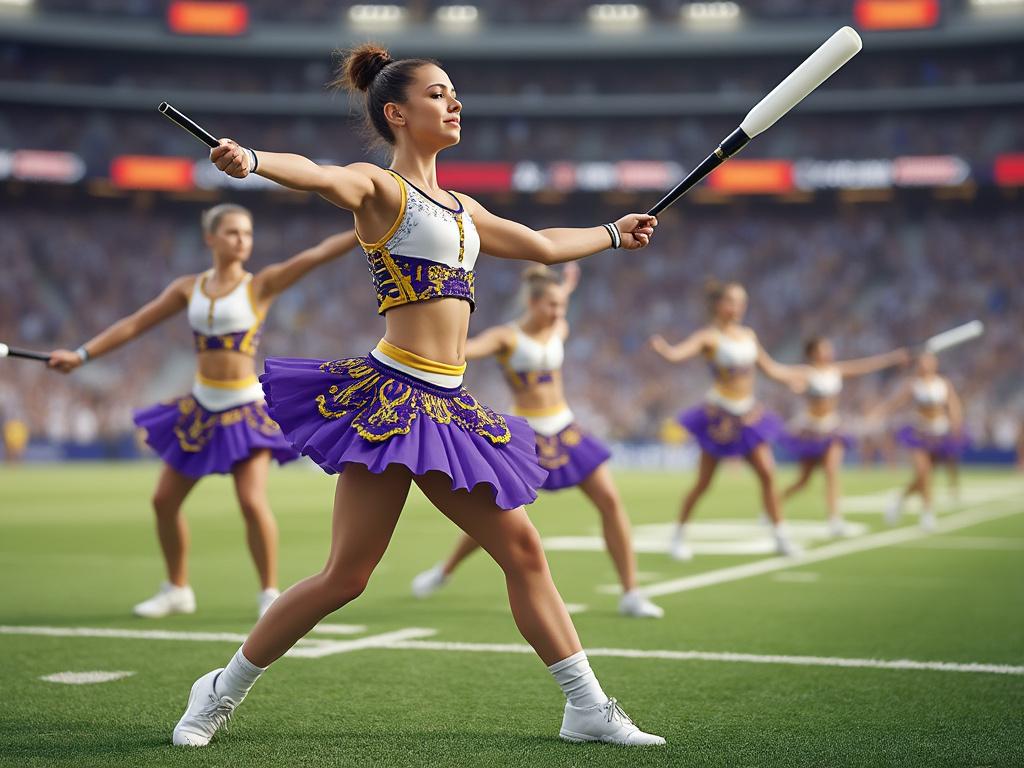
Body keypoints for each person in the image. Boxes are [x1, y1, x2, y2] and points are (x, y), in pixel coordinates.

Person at [171, 45, 664, 748]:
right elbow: (320, 175)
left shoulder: (464, 210)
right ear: (397, 113)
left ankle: (586, 706)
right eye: (438, 94)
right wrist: (252, 160)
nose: (454, 103)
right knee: (346, 577)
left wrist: (613, 233)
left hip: (450, 407)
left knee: (524, 551)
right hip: (391, 401)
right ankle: (220, 689)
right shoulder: (380, 188)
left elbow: (542, 245)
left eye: (454, 92)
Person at [49, 204, 357, 618]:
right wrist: (82, 355)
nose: (242, 241)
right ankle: (177, 589)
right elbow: (135, 324)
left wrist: (365, 230)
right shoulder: (187, 289)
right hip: (201, 407)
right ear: (210, 238)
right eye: (232, 232)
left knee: (251, 502)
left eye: (247, 233)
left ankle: (269, 594)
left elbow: (315, 255)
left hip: (244, 409)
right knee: (163, 501)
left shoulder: (259, 286)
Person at [411, 263, 663, 618]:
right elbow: (464, 349)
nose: (559, 312)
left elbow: (559, 303)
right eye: (551, 305)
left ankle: (631, 592)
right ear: (531, 303)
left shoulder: (559, 327)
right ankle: (445, 570)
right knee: (500, 514)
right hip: (527, 435)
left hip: (565, 428)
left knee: (610, 501)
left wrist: (568, 286)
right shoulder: (506, 337)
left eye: (562, 306)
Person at [649, 280, 803, 561]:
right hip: (719, 419)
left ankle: (781, 537)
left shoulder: (749, 335)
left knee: (768, 474)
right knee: (703, 484)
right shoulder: (709, 337)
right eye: (732, 301)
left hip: (749, 416)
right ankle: (678, 536)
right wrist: (666, 351)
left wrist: (794, 378)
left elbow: (771, 369)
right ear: (719, 305)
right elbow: (679, 353)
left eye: (742, 302)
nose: (738, 307)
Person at [779, 337, 908, 536]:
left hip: (831, 429)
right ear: (812, 353)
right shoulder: (806, 373)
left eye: (829, 349)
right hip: (811, 431)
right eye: (824, 349)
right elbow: (785, 376)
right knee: (803, 481)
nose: (829, 352)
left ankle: (835, 520)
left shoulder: (836, 370)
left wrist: (891, 358)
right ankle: (775, 503)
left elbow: (864, 366)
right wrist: (796, 386)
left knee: (832, 471)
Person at [876, 353, 965, 531]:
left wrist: (956, 423)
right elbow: (896, 402)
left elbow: (953, 405)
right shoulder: (913, 384)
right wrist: (879, 412)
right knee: (924, 472)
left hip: (939, 434)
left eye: (929, 362)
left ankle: (899, 499)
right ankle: (927, 513)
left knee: (924, 477)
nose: (926, 365)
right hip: (919, 434)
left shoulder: (943, 383)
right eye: (923, 362)